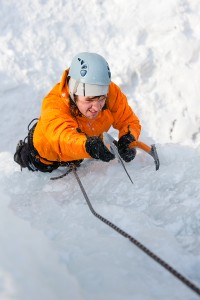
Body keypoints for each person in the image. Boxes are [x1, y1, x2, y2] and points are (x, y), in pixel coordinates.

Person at [14, 52, 141, 173]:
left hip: (79, 152)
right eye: (89, 99)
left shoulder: (110, 92)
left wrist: (128, 138)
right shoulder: (54, 103)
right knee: (31, 158)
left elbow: (128, 120)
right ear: (73, 93)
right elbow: (63, 138)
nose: (96, 108)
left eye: (101, 99)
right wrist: (89, 146)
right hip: (44, 157)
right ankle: (22, 153)